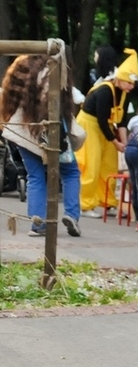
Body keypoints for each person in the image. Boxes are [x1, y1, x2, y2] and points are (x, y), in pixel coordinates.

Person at [1, 54, 85, 237]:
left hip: (23, 129)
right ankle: (72, 215)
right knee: (70, 172)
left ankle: (38, 224)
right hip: (51, 130)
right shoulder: (52, 72)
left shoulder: (22, 69)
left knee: (35, 176)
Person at [76, 47, 138, 218]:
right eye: (130, 82)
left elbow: (122, 121)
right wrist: (115, 141)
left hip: (106, 128)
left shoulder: (125, 94)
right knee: (92, 163)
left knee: (109, 164)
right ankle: (85, 204)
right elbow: (102, 120)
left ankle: (108, 201)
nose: (132, 87)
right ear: (121, 78)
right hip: (90, 124)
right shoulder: (104, 90)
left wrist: (124, 143)